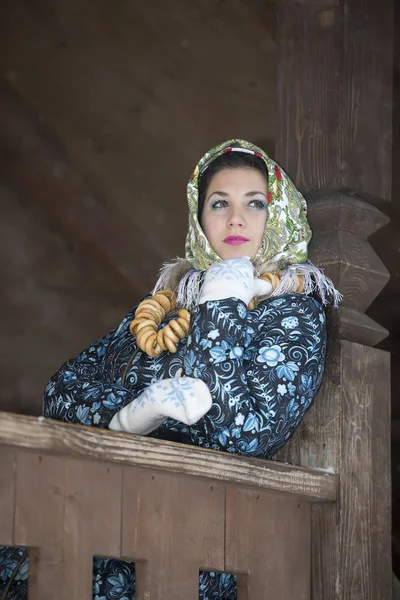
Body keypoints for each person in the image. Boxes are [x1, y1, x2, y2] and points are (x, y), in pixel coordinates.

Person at [0, 140, 340, 600]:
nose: (235, 218)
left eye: (255, 204)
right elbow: (63, 390)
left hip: (185, 539)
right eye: (219, 203)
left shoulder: (295, 314)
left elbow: (241, 435)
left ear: (278, 213)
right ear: (200, 218)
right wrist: (132, 416)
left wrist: (225, 303)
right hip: (87, 518)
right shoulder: (170, 300)